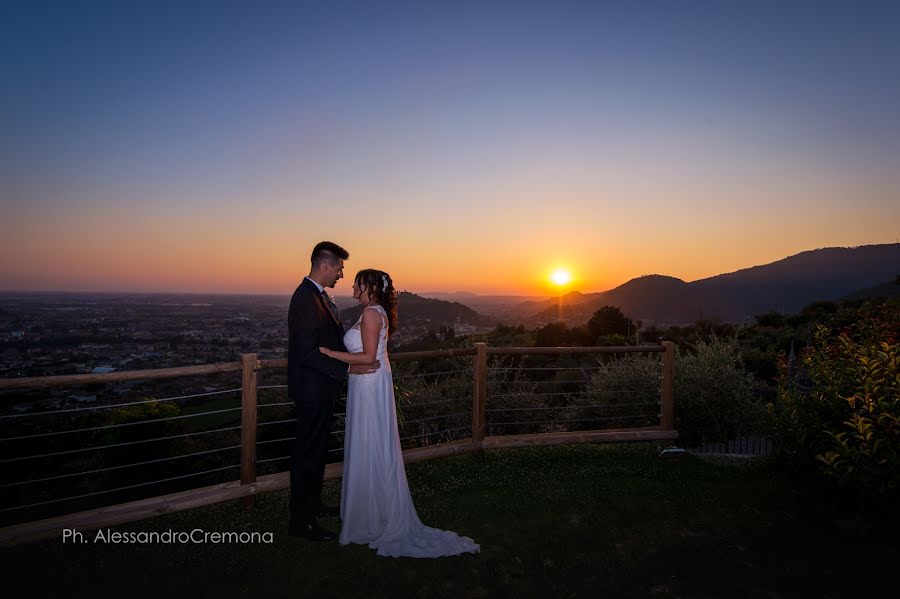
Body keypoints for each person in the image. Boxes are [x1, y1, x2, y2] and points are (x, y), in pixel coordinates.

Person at [320, 269, 480, 558]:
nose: (353, 287)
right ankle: (370, 512)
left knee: (370, 444)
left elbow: (369, 358)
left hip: (368, 387)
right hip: (367, 383)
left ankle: (372, 516)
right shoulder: (373, 311)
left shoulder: (371, 315)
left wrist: (330, 355)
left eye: (358, 284)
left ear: (370, 287)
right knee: (371, 445)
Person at [287, 241, 378, 541]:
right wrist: (349, 369)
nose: (341, 274)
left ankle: (311, 505)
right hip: (312, 391)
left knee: (318, 451)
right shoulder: (305, 299)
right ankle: (302, 523)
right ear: (325, 266)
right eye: (339, 268)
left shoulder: (319, 297)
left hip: (322, 390)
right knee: (308, 454)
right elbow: (305, 353)